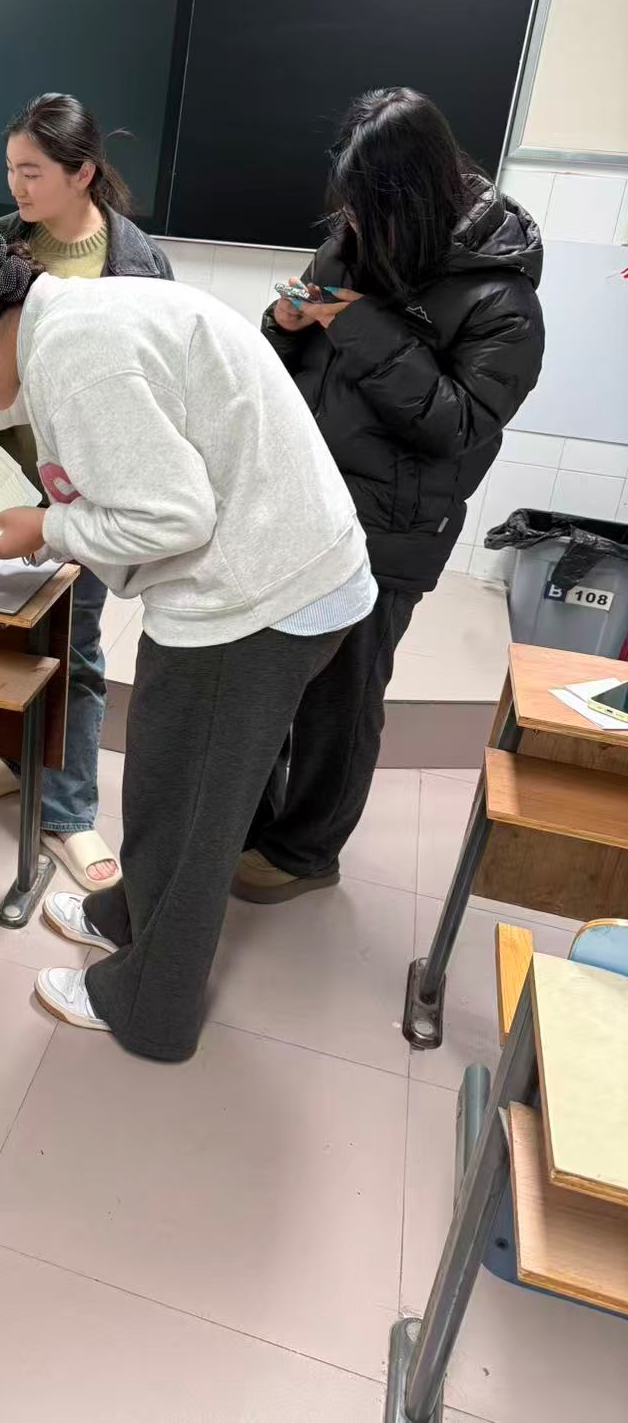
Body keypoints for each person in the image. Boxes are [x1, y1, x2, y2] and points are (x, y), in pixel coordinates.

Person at [0, 229, 374, 1062]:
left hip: (260, 591)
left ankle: (152, 1008)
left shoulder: (76, 358)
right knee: (160, 778)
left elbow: (174, 517)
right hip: (273, 565)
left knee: (188, 809)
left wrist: (45, 528)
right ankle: (127, 914)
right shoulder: (71, 320)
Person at [232, 88, 544, 905]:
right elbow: (291, 361)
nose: (351, 223)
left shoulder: (503, 299)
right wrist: (281, 323)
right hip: (300, 506)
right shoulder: (352, 244)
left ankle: (306, 853)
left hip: (389, 531)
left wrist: (356, 322)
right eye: (348, 205)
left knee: (341, 697)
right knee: (268, 675)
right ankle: (251, 822)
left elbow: (457, 424)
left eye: (367, 207)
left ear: (415, 196)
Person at [0, 94, 173, 892]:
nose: (17, 186)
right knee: (6, 631)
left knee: (75, 646)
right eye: (11, 169)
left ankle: (71, 811)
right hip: (2, 467)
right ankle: (19, 757)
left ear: (82, 173)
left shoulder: (137, 261)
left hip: (87, 486)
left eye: (33, 171)